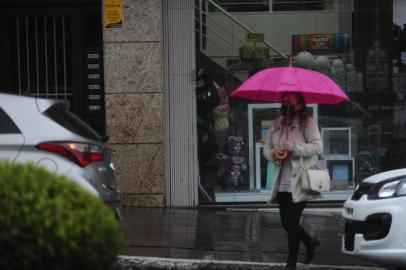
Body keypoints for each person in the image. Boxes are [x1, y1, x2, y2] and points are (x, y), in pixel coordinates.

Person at [263, 92, 323, 270]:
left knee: (291, 221)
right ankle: (309, 241)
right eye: (285, 103)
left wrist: (295, 148)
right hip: (282, 181)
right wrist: (274, 153)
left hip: (300, 181)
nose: (288, 107)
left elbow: (318, 146)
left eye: (292, 103)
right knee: (286, 223)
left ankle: (291, 261)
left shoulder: (307, 123)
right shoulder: (277, 124)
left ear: (299, 104)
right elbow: (266, 149)